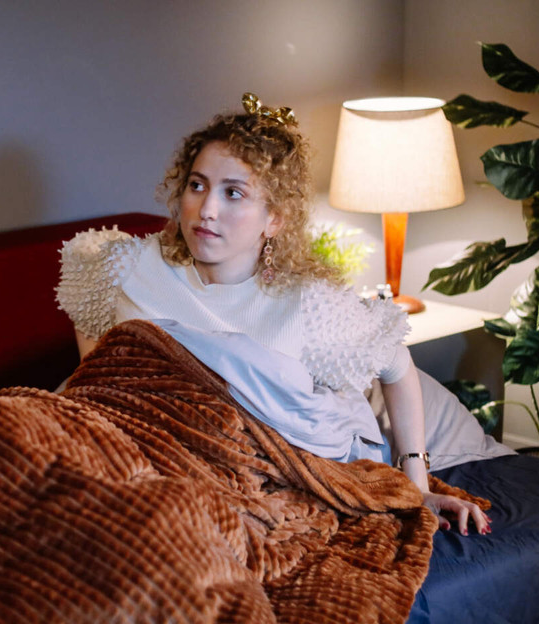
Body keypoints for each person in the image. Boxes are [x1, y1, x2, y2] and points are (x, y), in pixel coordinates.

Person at [57, 93, 491, 536]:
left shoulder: (306, 304)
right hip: (133, 457)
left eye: (233, 193)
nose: (207, 210)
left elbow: (397, 366)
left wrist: (417, 484)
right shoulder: (127, 266)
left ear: (275, 220)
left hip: (244, 474)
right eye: (197, 185)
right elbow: (90, 327)